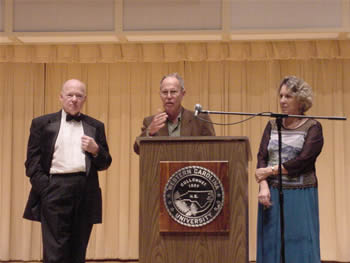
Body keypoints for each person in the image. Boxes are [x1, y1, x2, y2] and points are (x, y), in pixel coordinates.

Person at [23, 79, 112, 263]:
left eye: (79, 96)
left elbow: (105, 163)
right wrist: (46, 189)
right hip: (54, 189)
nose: (74, 99)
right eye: (70, 95)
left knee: (78, 250)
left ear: (85, 99)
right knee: (55, 251)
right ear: (61, 97)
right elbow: (32, 162)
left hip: (85, 190)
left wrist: (96, 151)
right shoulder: (41, 124)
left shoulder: (96, 126)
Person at [255, 76, 324, 263]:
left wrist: (268, 172)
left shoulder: (313, 127)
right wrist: (263, 186)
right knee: (271, 243)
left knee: (298, 242)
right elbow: (261, 156)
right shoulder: (272, 124)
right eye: (281, 96)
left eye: (288, 96)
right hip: (271, 193)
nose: (282, 101)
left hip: (300, 193)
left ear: (300, 100)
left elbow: (302, 161)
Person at [133, 72, 215, 154]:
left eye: (173, 92)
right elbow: (138, 150)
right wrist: (149, 132)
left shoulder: (200, 119)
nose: (168, 96)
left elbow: (213, 149)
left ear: (183, 94)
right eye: (165, 92)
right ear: (160, 94)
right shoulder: (151, 122)